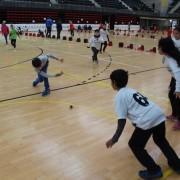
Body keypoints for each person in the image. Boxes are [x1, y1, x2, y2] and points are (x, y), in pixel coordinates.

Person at [106, 69, 180, 179]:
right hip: (158, 114)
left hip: (147, 120)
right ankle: (177, 165)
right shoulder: (130, 90)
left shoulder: (119, 96)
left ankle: (154, 170)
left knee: (135, 145)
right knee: (160, 140)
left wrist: (115, 138)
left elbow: (121, 121)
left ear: (114, 83)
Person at [158, 37, 180, 130]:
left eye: (159, 47)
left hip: (179, 79)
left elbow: (179, 74)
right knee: (171, 95)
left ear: (164, 48)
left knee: (178, 100)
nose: (158, 49)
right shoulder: (168, 56)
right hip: (176, 79)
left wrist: (178, 90)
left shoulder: (171, 60)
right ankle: (174, 115)